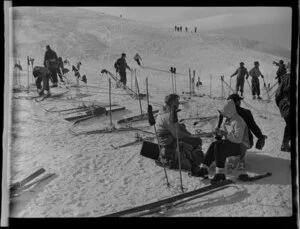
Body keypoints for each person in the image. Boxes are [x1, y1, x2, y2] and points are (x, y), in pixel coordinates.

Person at [192, 99, 251, 184]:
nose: (223, 115)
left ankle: (220, 174)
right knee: (215, 144)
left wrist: (225, 134)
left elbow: (238, 140)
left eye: (224, 113)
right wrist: (219, 133)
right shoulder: (229, 120)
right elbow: (227, 135)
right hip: (233, 143)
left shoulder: (238, 121)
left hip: (241, 146)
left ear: (229, 111)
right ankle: (204, 169)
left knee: (219, 146)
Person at [155, 94, 204, 173]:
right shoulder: (169, 115)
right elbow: (177, 135)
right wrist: (190, 136)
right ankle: (194, 165)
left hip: (164, 139)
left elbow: (176, 127)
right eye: (176, 102)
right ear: (171, 103)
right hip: (168, 141)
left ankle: (194, 158)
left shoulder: (163, 112)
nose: (178, 103)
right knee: (197, 141)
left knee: (183, 128)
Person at [217, 94, 267, 169]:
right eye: (239, 101)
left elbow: (219, 127)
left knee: (232, 138)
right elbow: (253, 127)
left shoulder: (224, 113)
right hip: (244, 141)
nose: (240, 102)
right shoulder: (245, 112)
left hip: (233, 140)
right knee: (240, 139)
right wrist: (260, 137)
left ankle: (232, 160)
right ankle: (240, 160)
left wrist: (219, 135)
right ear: (236, 102)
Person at [275, 62, 291, 152]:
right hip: (288, 105)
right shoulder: (288, 78)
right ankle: (285, 144)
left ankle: (285, 144)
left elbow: (277, 95)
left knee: (289, 124)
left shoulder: (283, 78)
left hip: (283, 105)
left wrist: (280, 105)